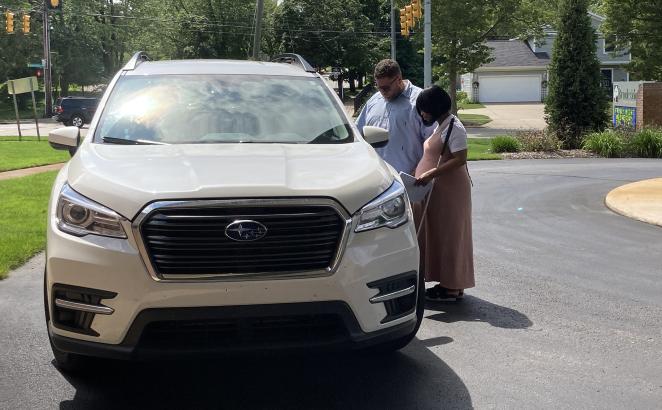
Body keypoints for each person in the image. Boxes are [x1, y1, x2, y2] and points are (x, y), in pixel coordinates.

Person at [413, 85, 474, 302]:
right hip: (437, 190)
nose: (422, 114)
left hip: (451, 191)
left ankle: (452, 286)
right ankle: (447, 282)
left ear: (435, 107)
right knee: (440, 235)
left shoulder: (455, 127)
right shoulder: (442, 125)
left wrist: (431, 173)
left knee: (451, 235)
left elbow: (460, 159)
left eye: (424, 109)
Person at [356, 59, 434, 174]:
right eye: (378, 87)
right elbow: (358, 135)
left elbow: (434, 145)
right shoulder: (374, 100)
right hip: (377, 179)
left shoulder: (421, 101)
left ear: (398, 79)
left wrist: (417, 174)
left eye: (386, 88)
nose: (382, 92)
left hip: (410, 181)